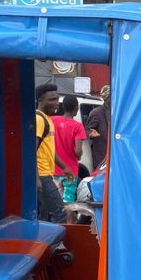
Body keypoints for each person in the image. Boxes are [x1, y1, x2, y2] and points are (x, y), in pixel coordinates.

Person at [36, 84, 73, 224]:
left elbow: (49, 149)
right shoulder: (39, 119)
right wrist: (37, 178)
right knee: (60, 212)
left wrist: (64, 167)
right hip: (42, 175)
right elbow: (32, 150)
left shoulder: (48, 119)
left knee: (45, 216)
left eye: (57, 99)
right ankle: (57, 245)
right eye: (52, 99)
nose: (57, 103)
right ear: (40, 100)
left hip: (46, 174)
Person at [52, 95, 87, 204]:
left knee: (55, 204)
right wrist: (79, 155)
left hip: (53, 169)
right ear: (76, 108)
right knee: (68, 203)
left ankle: (55, 221)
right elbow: (78, 152)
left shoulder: (53, 120)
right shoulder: (78, 126)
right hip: (70, 171)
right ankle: (69, 221)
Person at [85, 85, 111, 170]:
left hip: (114, 153)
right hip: (101, 154)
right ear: (107, 98)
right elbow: (87, 129)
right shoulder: (96, 113)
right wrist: (91, 133)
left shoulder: (117, 111)